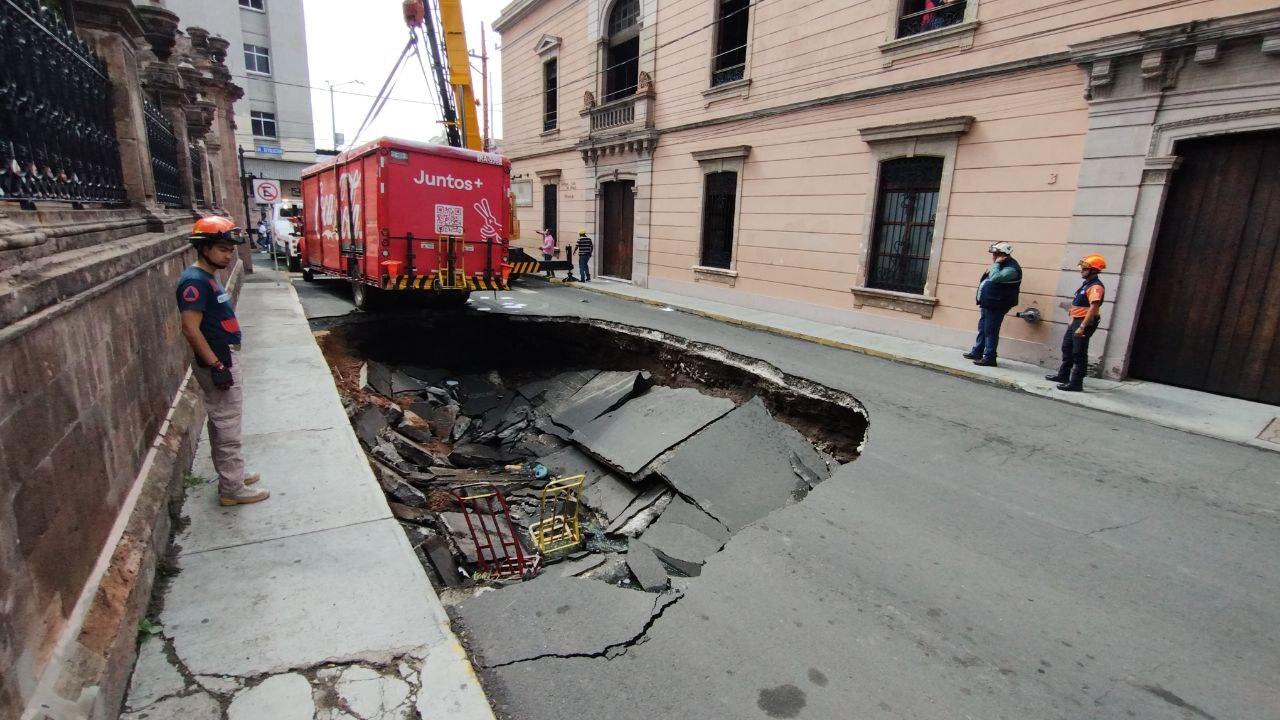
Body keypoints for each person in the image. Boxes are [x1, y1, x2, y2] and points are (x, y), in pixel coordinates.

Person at [177, 216, 270, 506]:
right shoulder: (194, 282)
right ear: (203, 248)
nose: (228, 255)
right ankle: (232, 489)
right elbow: (190, 328)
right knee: (227, 423)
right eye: (222, 249)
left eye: (230, 249)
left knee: (225, 420)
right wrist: (216, 366)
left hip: (223, 354)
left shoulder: (208, 277)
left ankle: (233, 474)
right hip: (217, 358)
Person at [1046, 253, 1107, 392]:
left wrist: (1082, 326)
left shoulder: (1096, 286)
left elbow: (1093, 307)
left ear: (1094, 270)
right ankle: (1063, 376)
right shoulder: (1087, 284)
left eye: (1085, 268)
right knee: (1067, 348)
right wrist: (1072, 318)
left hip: (1084, 322)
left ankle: (1076, 383)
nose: (1082, 270)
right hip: (1076, 321)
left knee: (1078, 352)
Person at [963, 241, 1021, 367]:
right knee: (983, 327)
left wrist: (996, 264)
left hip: (997, 304)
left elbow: (995, 277)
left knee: (991, 330)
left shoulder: (1011, 269)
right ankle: (978, 351)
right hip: (989, 302)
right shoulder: (999, 264)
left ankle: (990, 357)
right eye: (994, 253)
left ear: (1004, 254)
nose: (993, 256)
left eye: (996, 253)